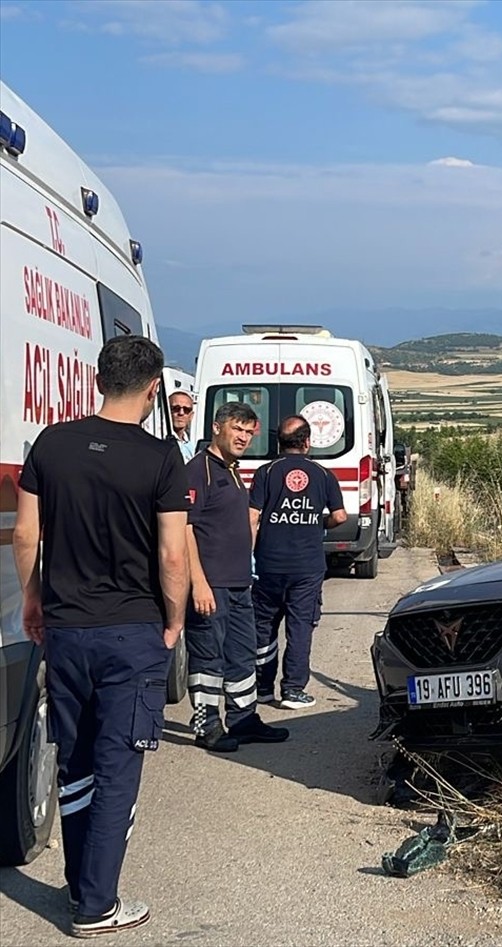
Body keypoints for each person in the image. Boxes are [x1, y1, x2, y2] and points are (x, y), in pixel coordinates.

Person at [13, 335, 189, 936]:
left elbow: (26, 535)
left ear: (97, 381)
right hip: (132, 632)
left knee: (76, 760)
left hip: (66, 629)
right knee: (117, 768)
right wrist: (175, 619)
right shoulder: (162, 457)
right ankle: (97, 906)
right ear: (153, 389)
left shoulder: (52, 443)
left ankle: (80, 883)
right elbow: (172, 555)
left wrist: (33, 598)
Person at [185, 402, 288, 751]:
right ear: (217, 428)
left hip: (240, 583)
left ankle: (244, 719)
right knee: (207, 658)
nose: (243, 437)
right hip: (211, 585)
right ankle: (207, 725)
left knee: (242, 654)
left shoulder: (231, 468)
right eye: (237, 429)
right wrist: (198, 582)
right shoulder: (199, 470)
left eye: (248, 431)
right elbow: (184, 529)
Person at [249, 416, 347, 708]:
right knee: (300, 627)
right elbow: (340, 516)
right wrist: (319, 523)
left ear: (279, 442)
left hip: (268, 564)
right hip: (307, 567)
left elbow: (252, 518)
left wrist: (247, 556)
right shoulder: (323, 474)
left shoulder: (266, 472)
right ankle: (292, 689)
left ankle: (262, 688)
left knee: (264, 626)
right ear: (307, 441)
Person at [168, 390, 196, 461]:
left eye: (186, 410)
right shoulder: (160, 441)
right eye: (176, 408)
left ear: (191, 416)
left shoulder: (192, 447)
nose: (181, 413)